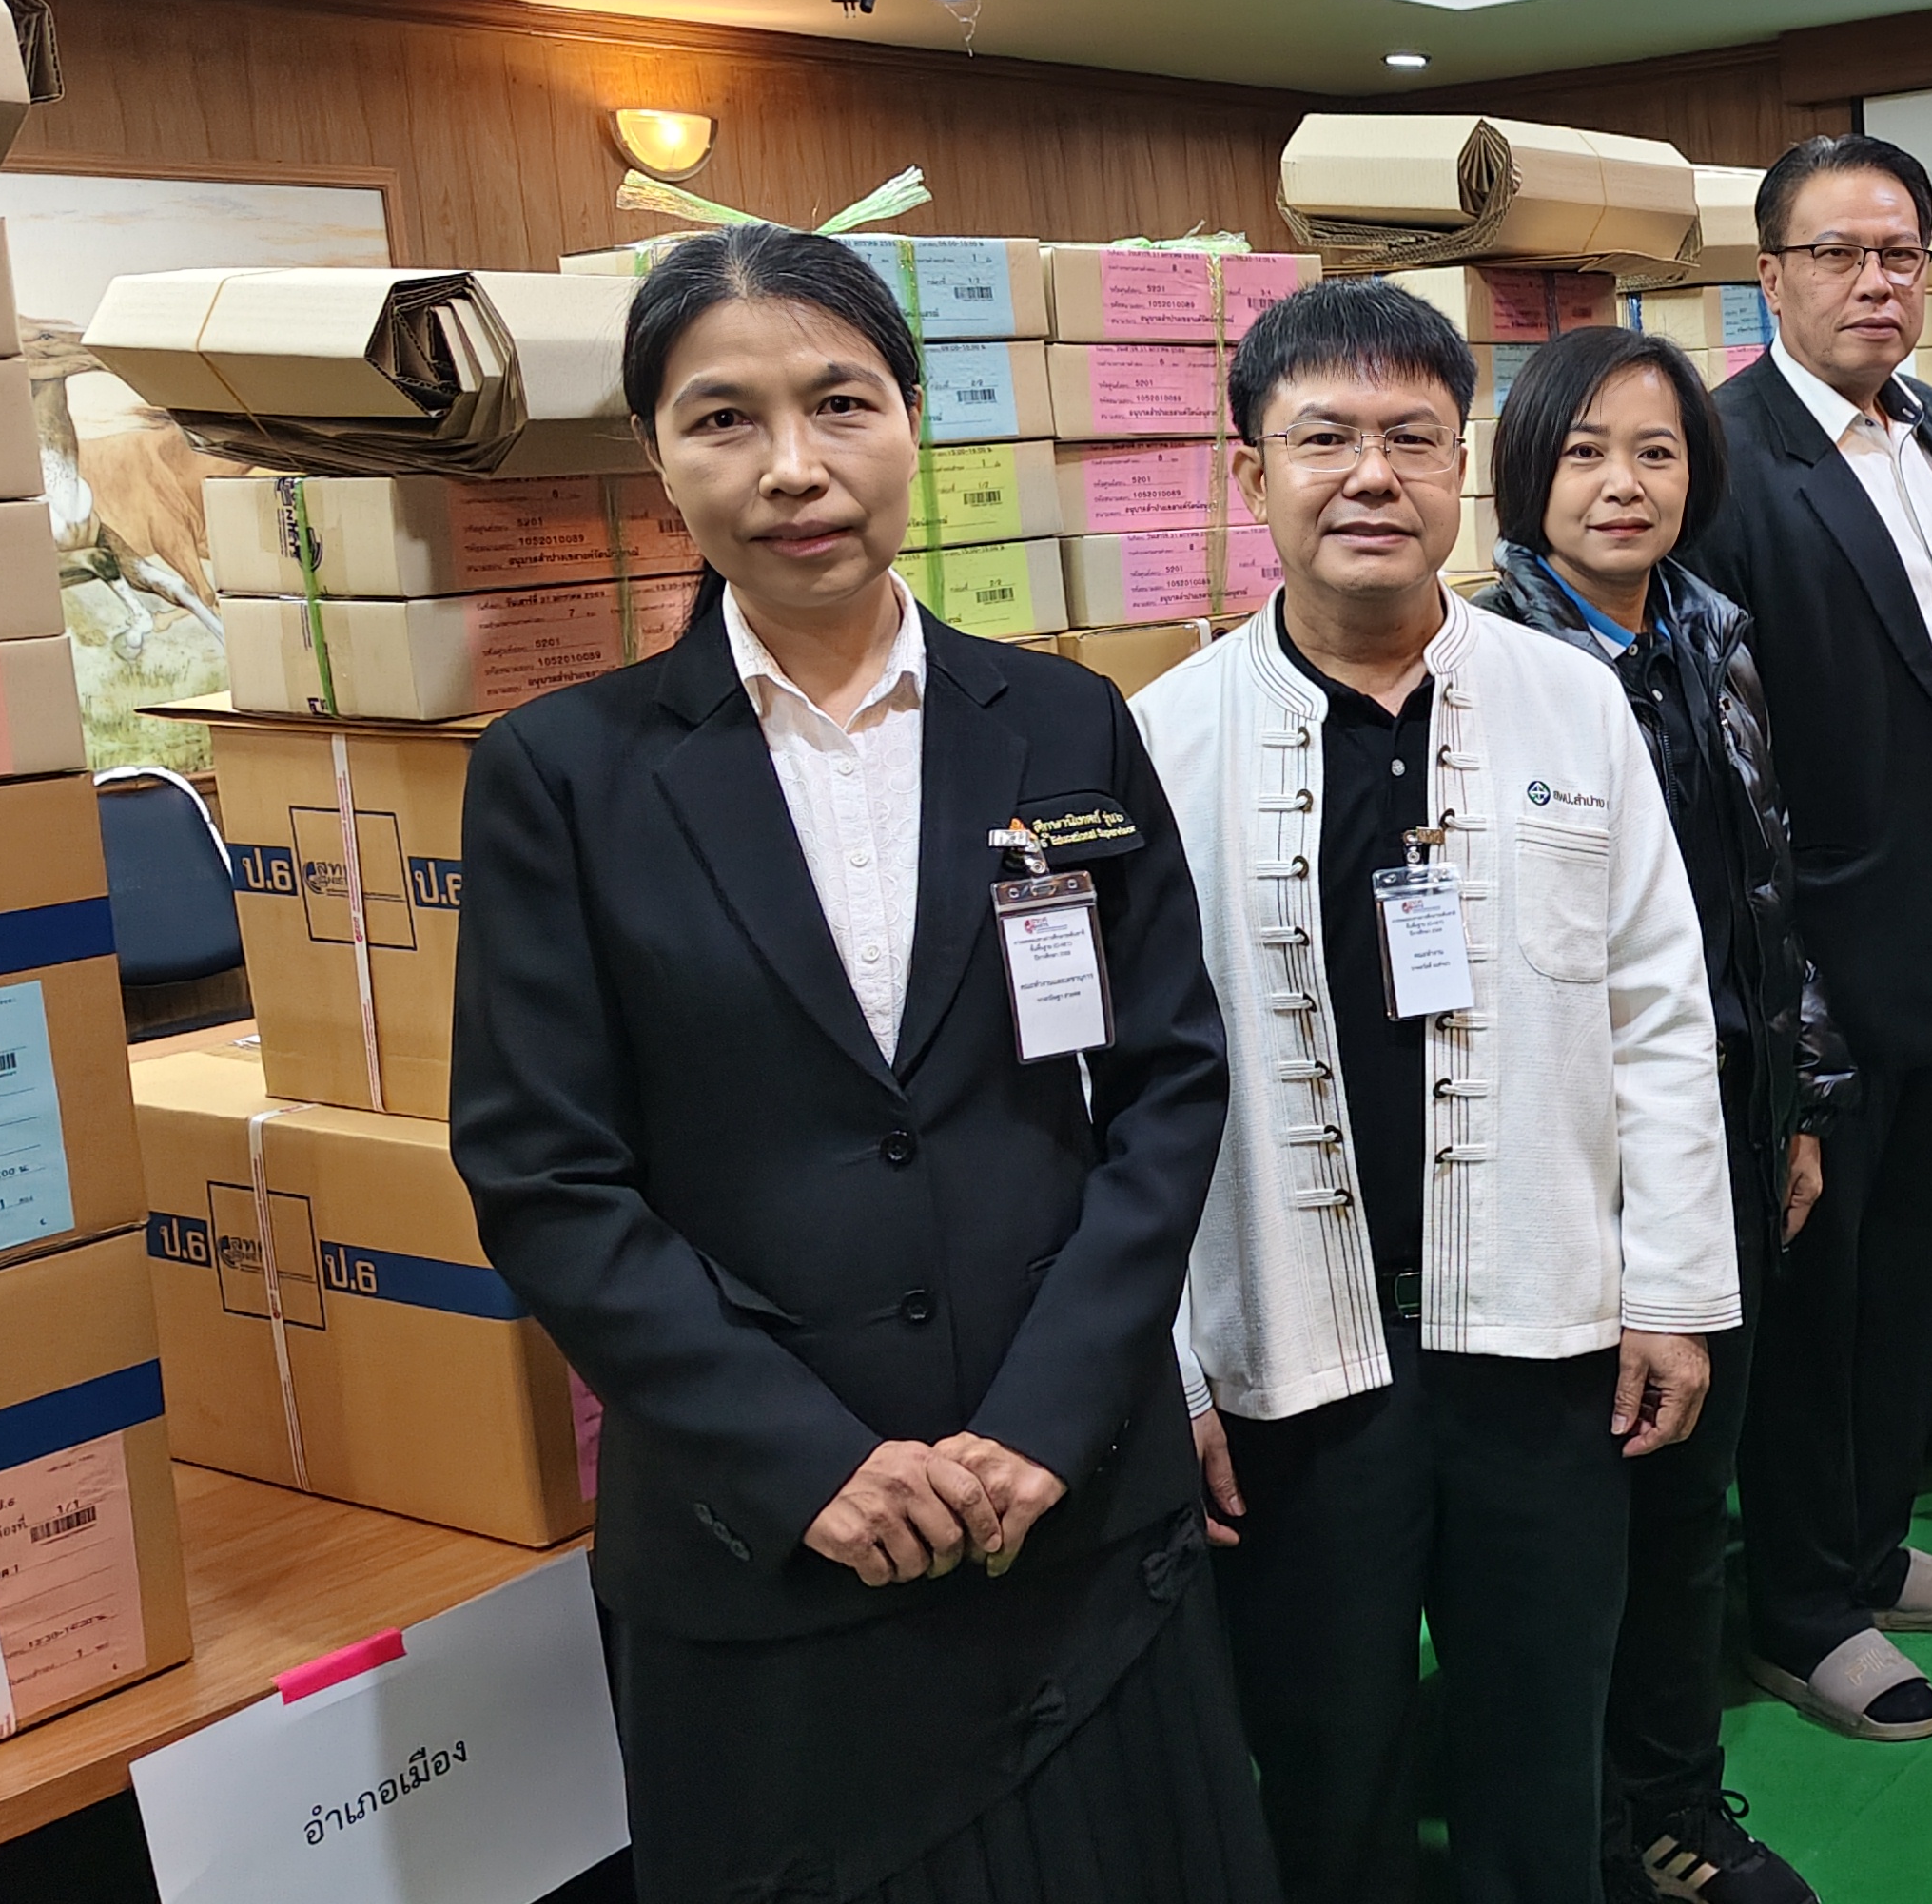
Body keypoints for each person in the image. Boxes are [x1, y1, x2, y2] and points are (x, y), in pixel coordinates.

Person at [450, 223, 1278, 1904]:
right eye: (723, 419)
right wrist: (803, 1458)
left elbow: (1168, 1083)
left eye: (840, 404)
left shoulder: (1062, 724)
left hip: (1072, 1510)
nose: (792, 467)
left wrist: (1051, 1417)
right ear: (656, 457)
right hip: (768, 1551)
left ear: (911, 418)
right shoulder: (565, 774)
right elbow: (545, 1173)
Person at [1133, 279, 1744, 1904]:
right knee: (1326, 1765)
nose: (1371, 476)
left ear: (1461, 467)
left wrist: (1674, 1291)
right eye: (1322, 438)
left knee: (1543, 1752)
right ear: (1249, 473)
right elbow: (1118, 1099)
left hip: (1543, 1339)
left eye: (1411, 437)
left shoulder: (1568, 699)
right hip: (1294, 1361)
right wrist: (1169, 1369)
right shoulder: (1165, 741)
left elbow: (1659, 1010)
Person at [1687, 131, 1932, 1743]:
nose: (1875, 282)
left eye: (1900, 252)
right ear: (1770, 275)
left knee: (1909, 1277)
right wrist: (1788, 995)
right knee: (1814, 1306)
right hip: (1811, 973)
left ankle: (1867, 1542)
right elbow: (1725, 757)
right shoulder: (1722, 454)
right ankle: (1796, 1609)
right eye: (1837, 253)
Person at [1474, 324, 1854, 1904]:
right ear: (1525, 472)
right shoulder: (1486, 662)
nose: (1621, 485)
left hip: (1725, 1125)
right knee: (1573, 1525)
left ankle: (1677, 1800)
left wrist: (1799, 1102)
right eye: (1583, 452)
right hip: (1562, 1153)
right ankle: (1583, 1832)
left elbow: (1773, 886)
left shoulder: (1712, 631)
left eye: (1655, 452)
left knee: (1693, 1492)